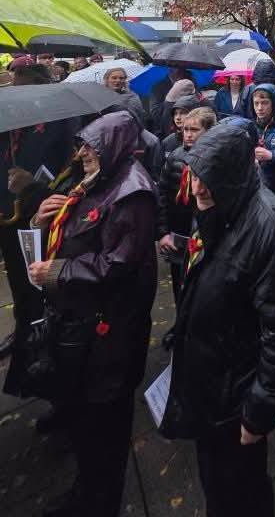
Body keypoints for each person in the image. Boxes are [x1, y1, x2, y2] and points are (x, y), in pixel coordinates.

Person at [160, 121, 275, 517]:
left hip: (236, 392)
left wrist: (258, 411)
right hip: (211, 379)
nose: (197, 189)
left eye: (208, 179)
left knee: (241, 490)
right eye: (196, 177)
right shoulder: (220, 205)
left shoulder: (271, 228)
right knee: (216, 484)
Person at [26, 111, 157, 517]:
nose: (82, 154)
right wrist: (40, 221)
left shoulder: (133, 193)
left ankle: (98, 503)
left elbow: (118, 263)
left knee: (104, 433)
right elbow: (75, 234)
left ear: (113, 147)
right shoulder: (94, 180)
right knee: (87, 425)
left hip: (110, 337)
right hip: (80, 329)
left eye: (91, 147)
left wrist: (61, 271)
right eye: (82, 145)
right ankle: (85, 495)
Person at [0, 63, 73, 360]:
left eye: (23, 87)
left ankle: (43, 333)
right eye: (13, 87)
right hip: (8, 216)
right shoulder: (8, 119)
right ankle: (22, 328)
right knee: (17, 279)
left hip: (43, 219)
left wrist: (32, 186)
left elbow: (67, 173)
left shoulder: (62, 122)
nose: (16, 93)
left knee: (40, 281)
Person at [157, 106, 218, 302]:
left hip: (207, 237)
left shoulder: (218, 158)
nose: (188, 135)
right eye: (186, 130)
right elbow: (162, 196)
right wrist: (163, 233)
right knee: (180, 290)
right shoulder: (175, 157)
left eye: (194, 130)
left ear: (208, 131)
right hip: (179, 236)